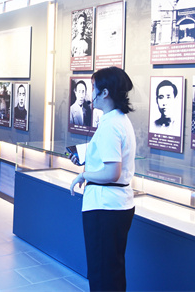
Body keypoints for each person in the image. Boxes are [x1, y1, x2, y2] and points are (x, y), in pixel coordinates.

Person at [70, 66, 136, 292]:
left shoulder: (110, 125)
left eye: (93, 88)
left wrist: (83, 175)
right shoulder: (120, 120)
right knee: (112, 270)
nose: (91, 94)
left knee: (102, 273)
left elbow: (112, 172)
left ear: (105, 92)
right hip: (117, 205)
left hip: (105, 207)